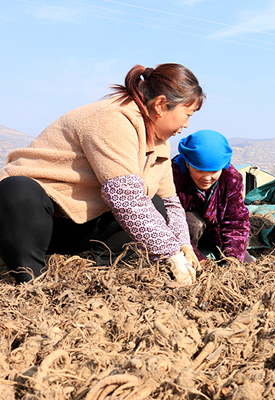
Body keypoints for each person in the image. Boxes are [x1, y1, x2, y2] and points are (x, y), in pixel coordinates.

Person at [0, 63, 204, 284]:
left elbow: (170, 202)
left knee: (154, 205)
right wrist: (169, 253)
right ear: (161, 105)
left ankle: (93, 270)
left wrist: (182, 244)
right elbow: (124, 198)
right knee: (19, 190)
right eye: (187, 114)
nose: (186, 124)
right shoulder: (113, 119)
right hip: (31, 220)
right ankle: (30, 278)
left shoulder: (159, 142)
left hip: (78, 224)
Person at [172, 130, 253, 264]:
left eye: (214, 172)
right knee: (194, 223)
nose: (207, 178)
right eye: (199, 171)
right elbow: (170, 219)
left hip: (216, 233)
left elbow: (236, 221)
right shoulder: (173, 176)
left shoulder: (231, 179)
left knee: (245, 264)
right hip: (185, 233)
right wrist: (197, 260)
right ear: (187, 163)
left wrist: (232, 257)